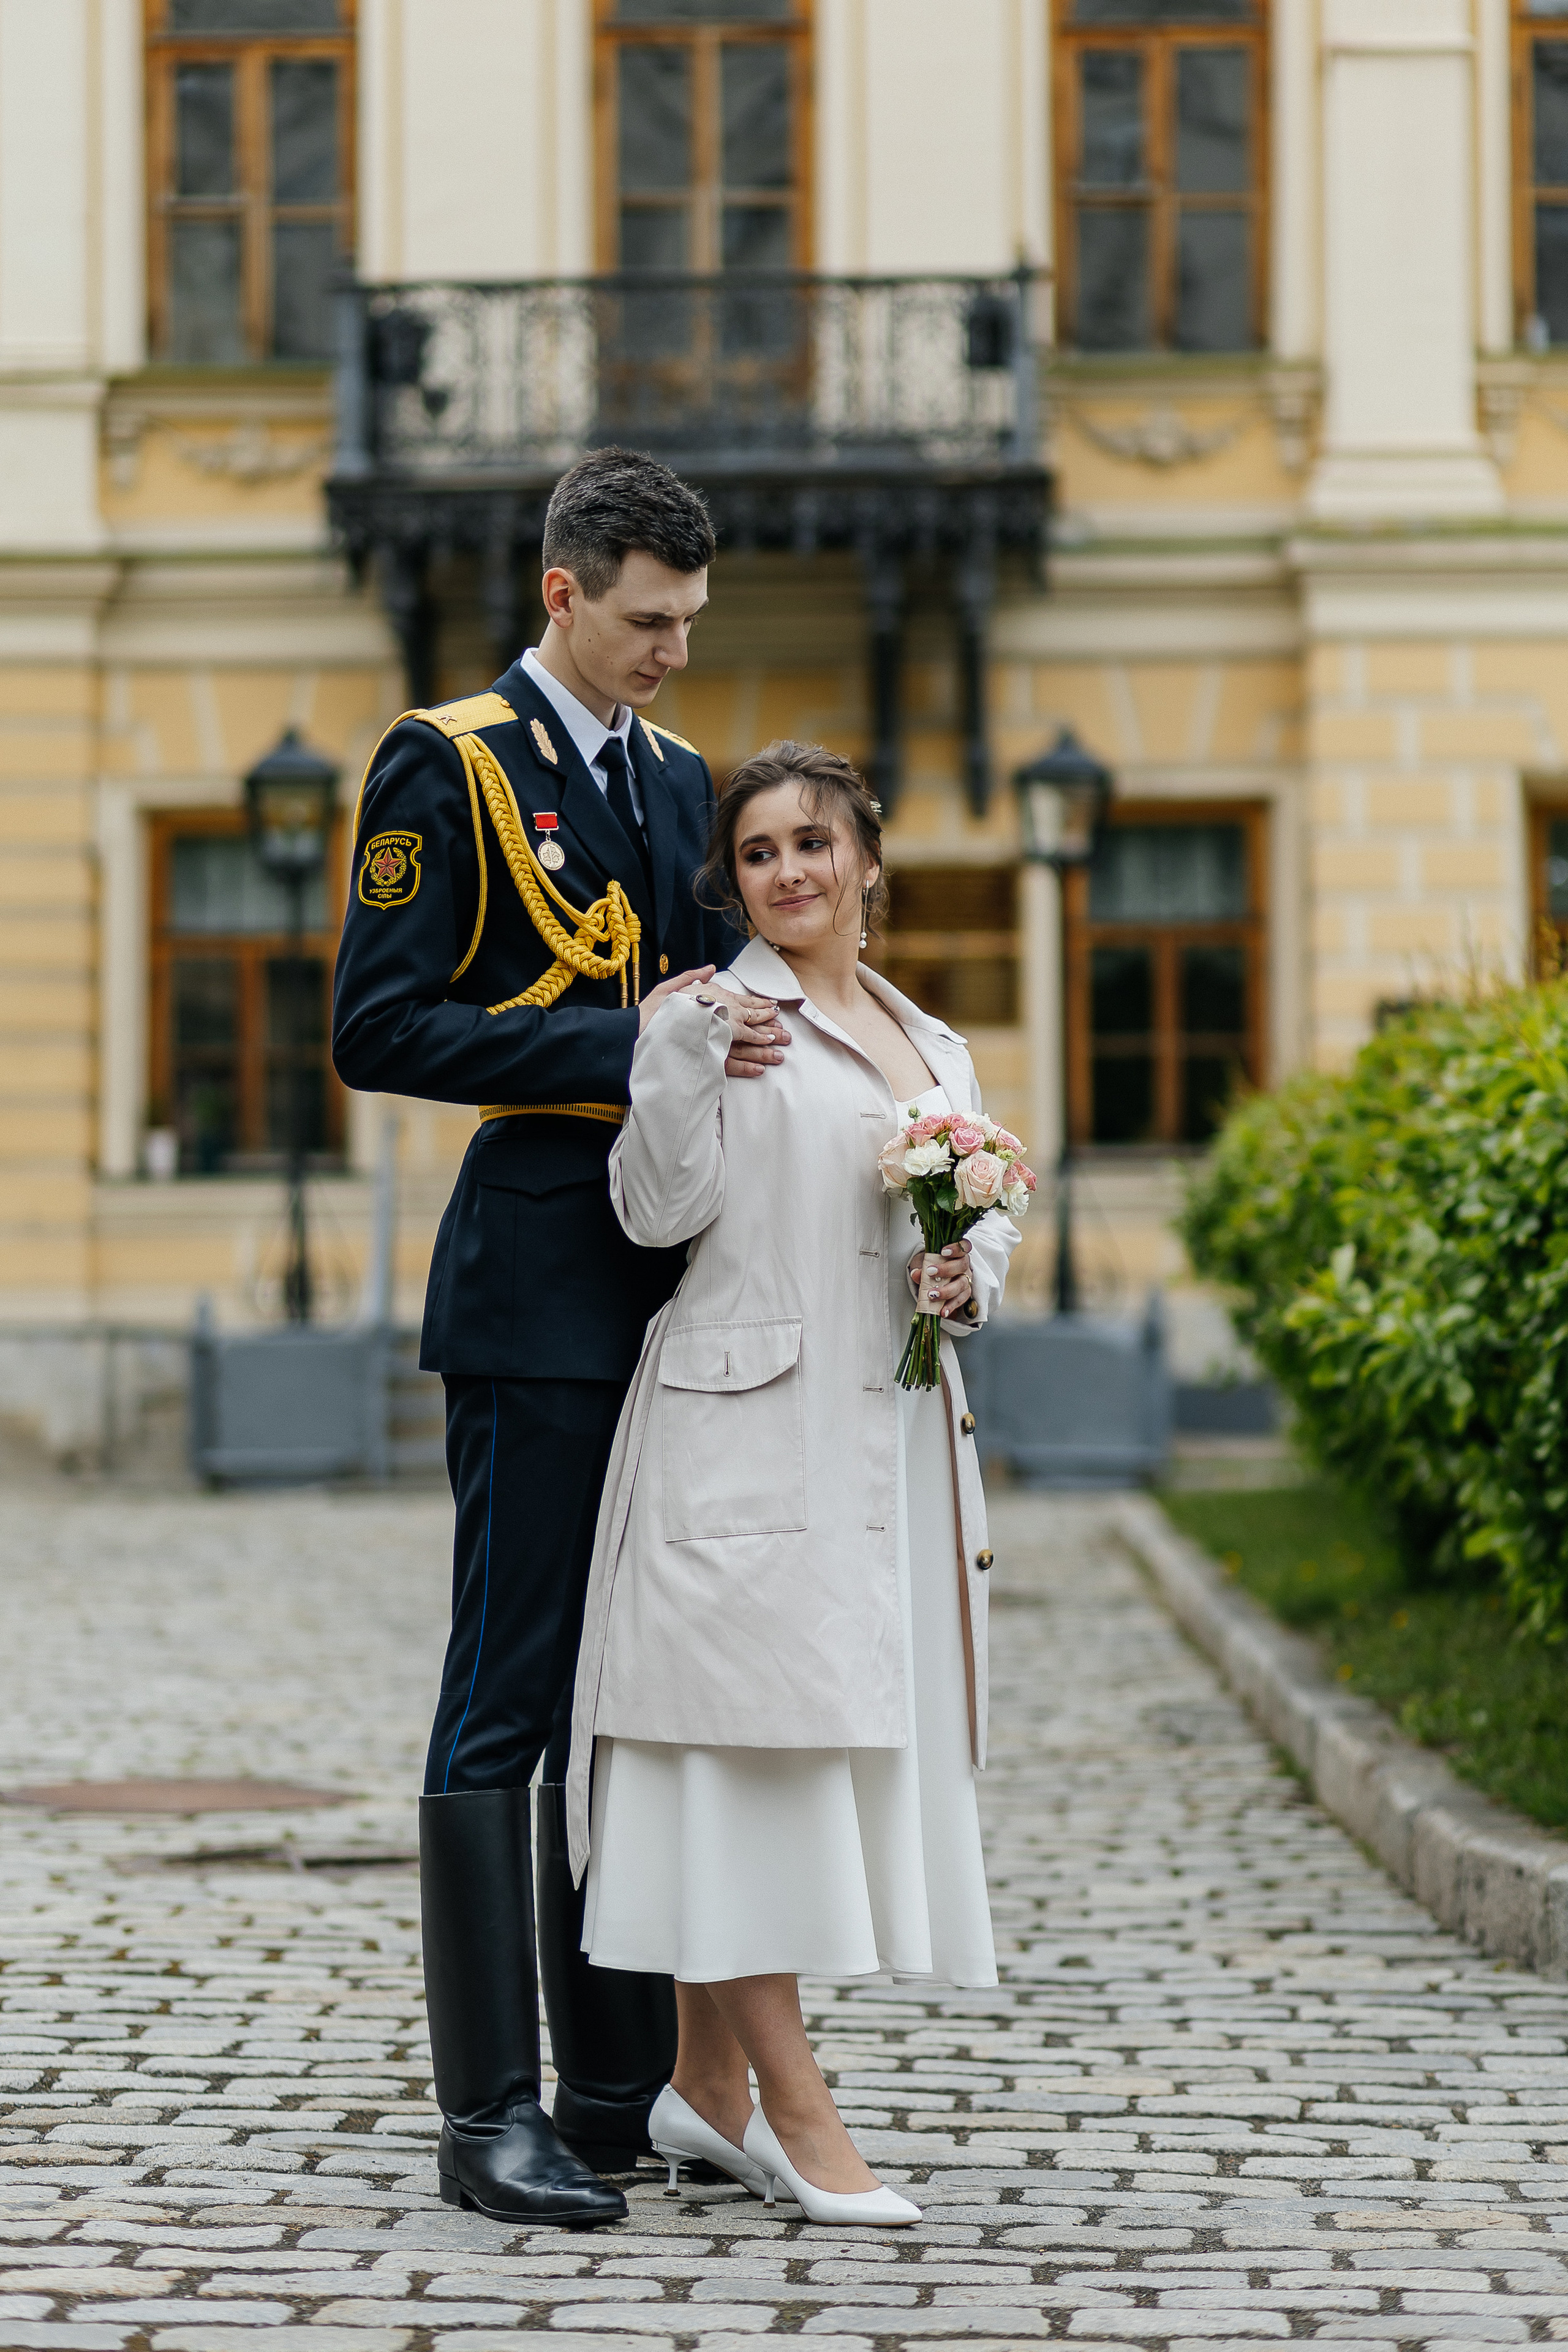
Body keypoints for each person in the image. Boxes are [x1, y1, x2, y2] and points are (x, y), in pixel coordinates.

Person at [331, 449, 792, 2230]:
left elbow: (731, 1005)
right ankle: (486, 2115)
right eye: (648, 620)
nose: (673, 652)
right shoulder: (443, 762)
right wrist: (629, 1054)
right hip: (532, 1289)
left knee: (633, 1702)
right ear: (564, 595)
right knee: (510, 1690)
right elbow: (384, 1027)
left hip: (675, 1285)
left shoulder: (682, 785)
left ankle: (615, 2086)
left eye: (690, 623)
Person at [567, 739, 1019, 2227]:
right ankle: (802, 2120)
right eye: (757, 854)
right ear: (733, 881)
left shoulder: (932, 1045)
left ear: (866, 860)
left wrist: (967, 1274)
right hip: (743, 1427)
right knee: (743, 1766)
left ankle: (700, 2094)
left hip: (884, 1436)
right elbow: (653, 1210)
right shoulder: (712, 1016)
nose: (788, 873)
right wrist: (680, 1061)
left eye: (812, 844)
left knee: (766, 1761)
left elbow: (977, 1251)